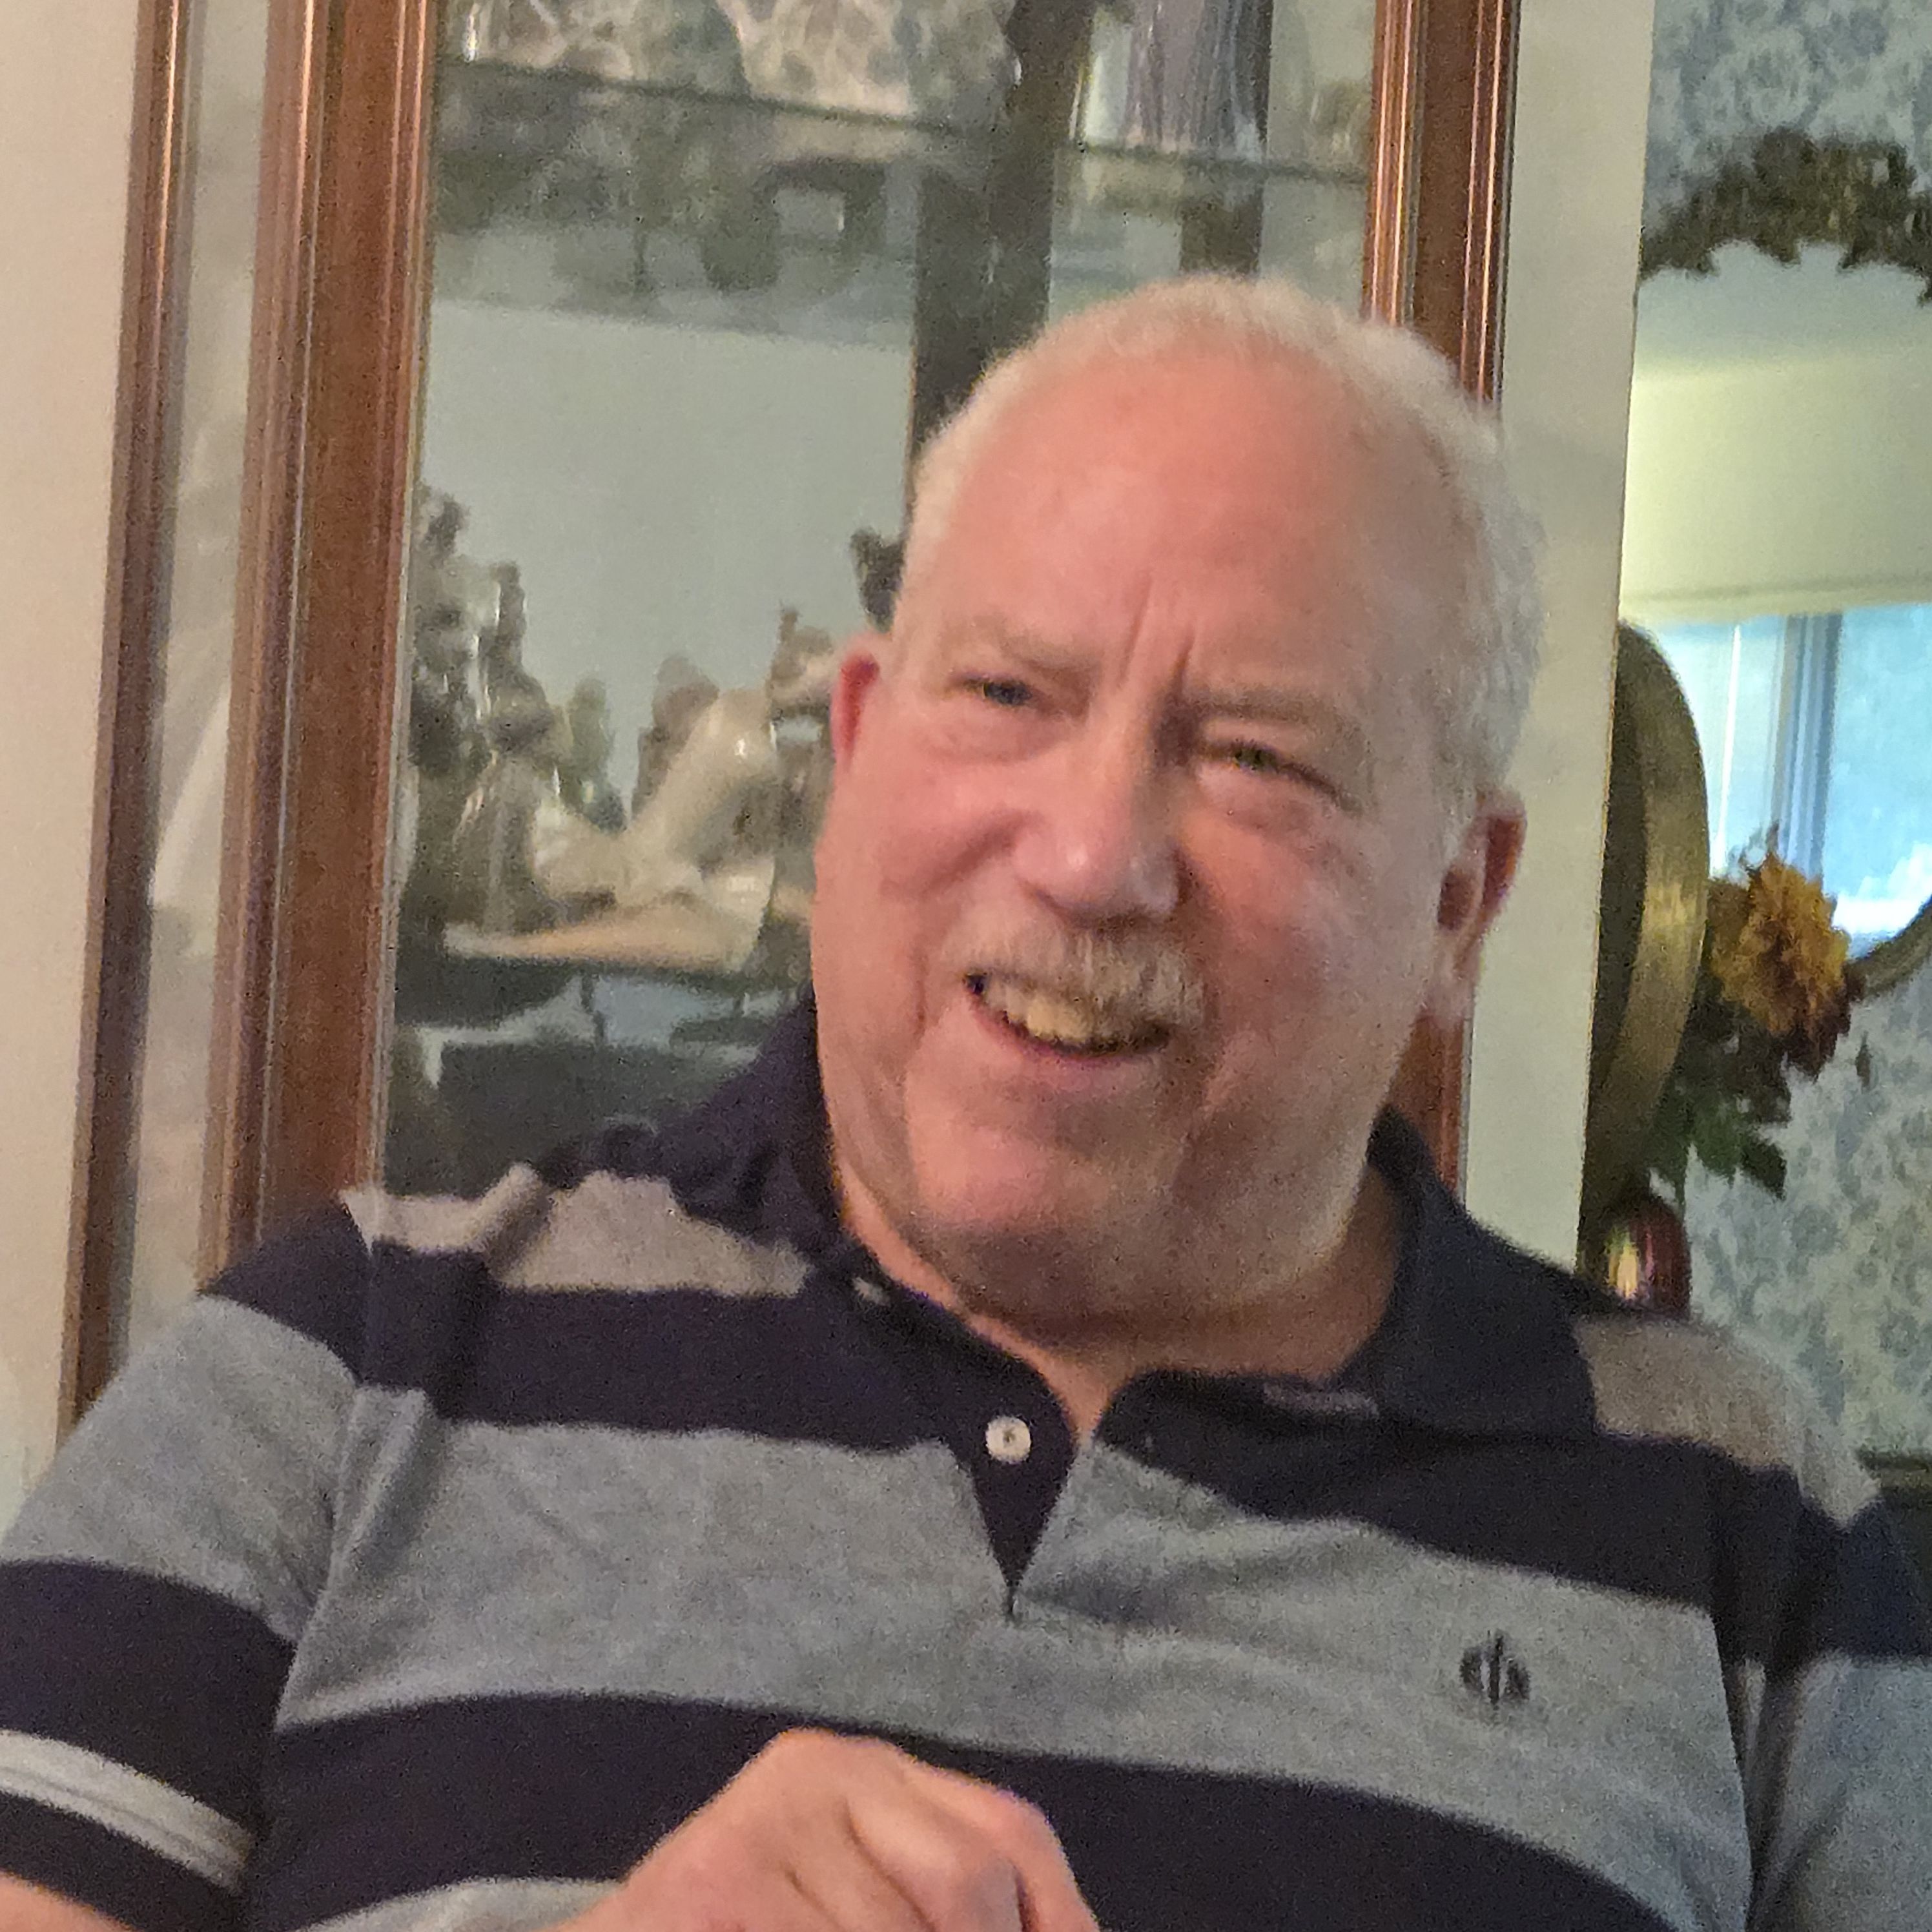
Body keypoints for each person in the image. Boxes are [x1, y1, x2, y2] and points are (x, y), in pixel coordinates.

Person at [1, 276, 1926, 1932]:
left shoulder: (1750, 1537)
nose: (1092, 855)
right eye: (1006, 693)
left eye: (1258, 756)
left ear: (1455, 904)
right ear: (855, 748)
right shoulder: (330, 1377)